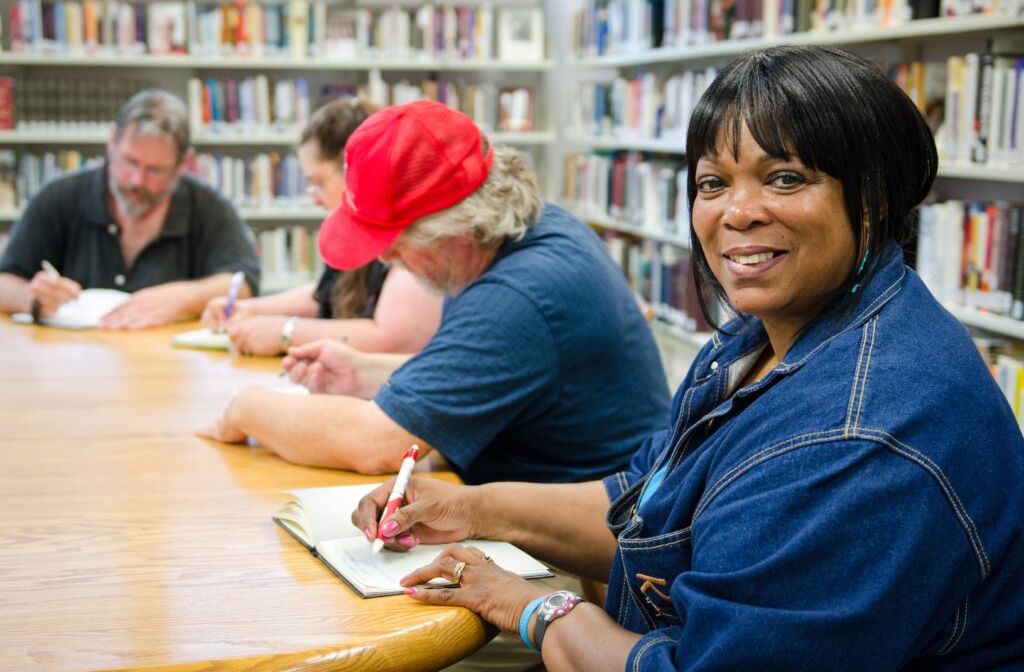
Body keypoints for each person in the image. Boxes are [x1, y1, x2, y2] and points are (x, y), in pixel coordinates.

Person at [350, 47, 1024, 669]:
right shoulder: (767, 332)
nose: (738, 212)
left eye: (785, 178)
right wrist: (472, 508)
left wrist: (537, 609)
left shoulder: (858, 439)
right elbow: (646, 506)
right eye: (712, 182)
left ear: (873, 199)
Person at [198, 99, 671, 485]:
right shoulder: (534, 229)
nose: (384, 259)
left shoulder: (515, 298)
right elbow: (489, 368)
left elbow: (377, 444)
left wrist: (246, 407)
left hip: (596, 555)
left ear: (457, 229)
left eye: (397, 243)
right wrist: (366, 374)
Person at [0, 89, 260, 329]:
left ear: (183, 165)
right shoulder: (58, 197)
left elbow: (243, 283)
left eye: (155, 170)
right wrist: (32, 298)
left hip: (166, 365)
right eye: (129, 162)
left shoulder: (208, 207)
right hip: (70, 362)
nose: (137, 180)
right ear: (111, 143)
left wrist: (184, 298)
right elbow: (5, 281)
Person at [200, 99, 442, 355]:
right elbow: (327, 294)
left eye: (318, 182)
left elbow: (392, 339)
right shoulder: (355, 232)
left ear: (354, 170)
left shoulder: (409, 235)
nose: (314, 197)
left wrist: (286, 332)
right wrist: (251, 309)